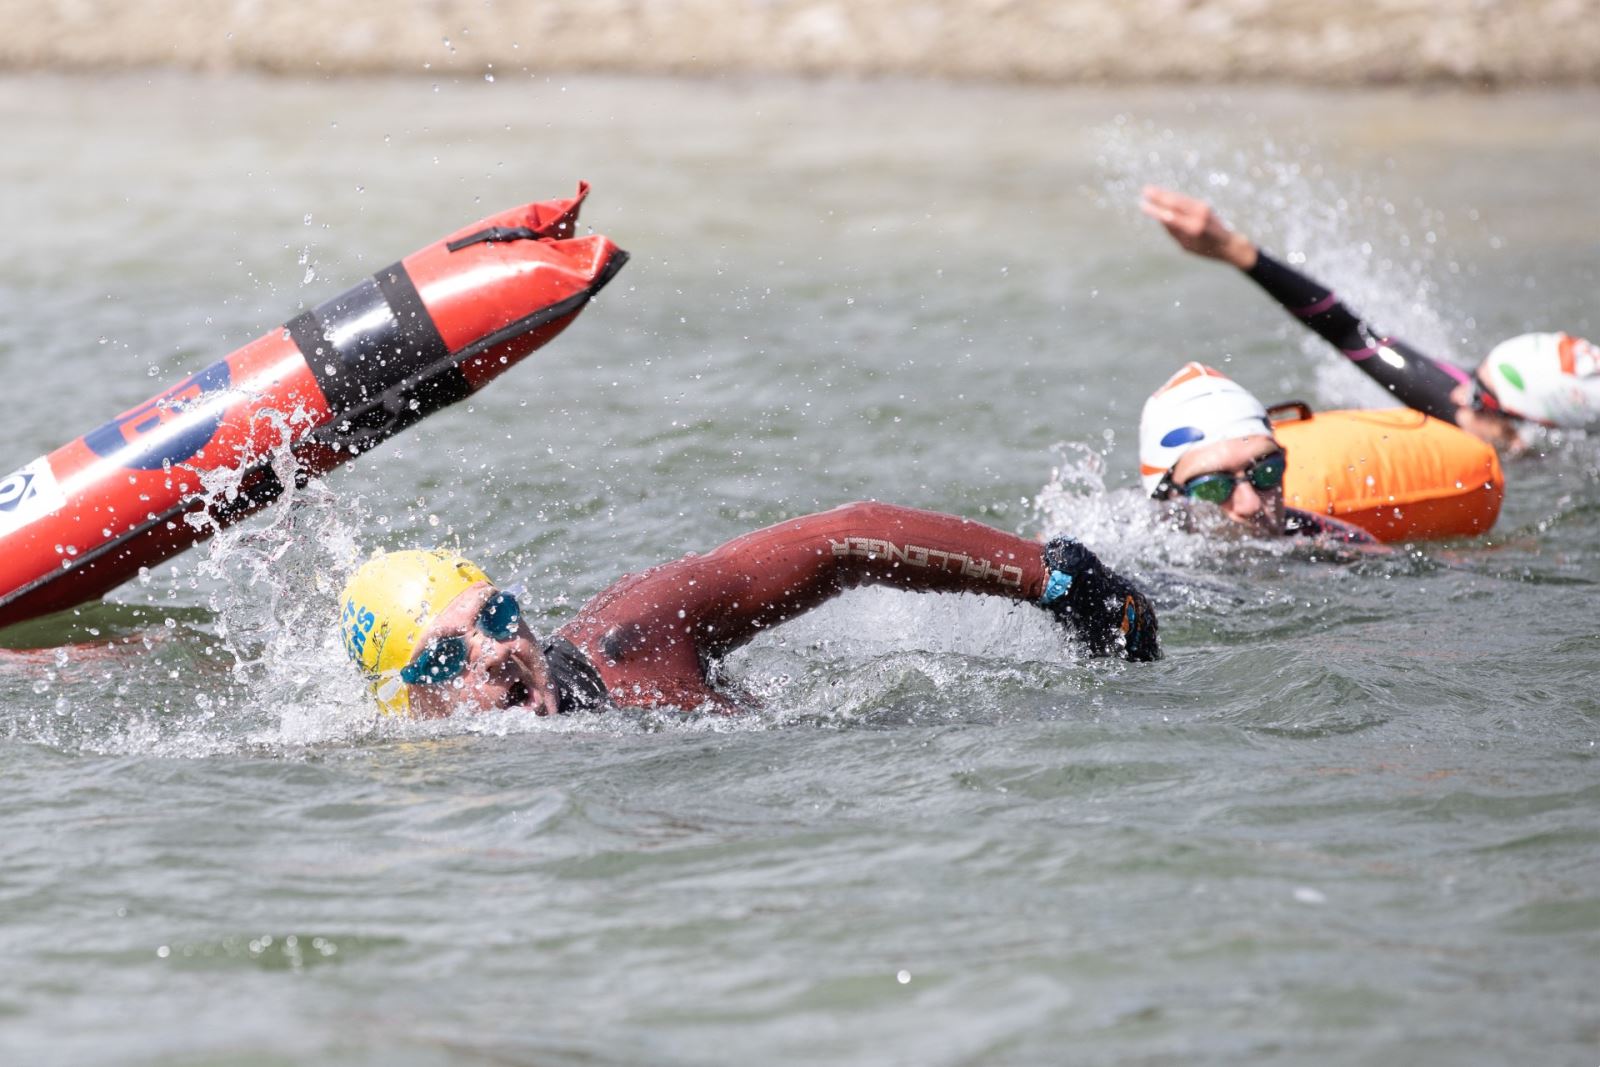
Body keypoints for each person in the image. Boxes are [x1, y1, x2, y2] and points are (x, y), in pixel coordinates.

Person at [338, 501, 1161, 717]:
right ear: (410, 705)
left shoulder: (633, 642)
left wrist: (1051, 578)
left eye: (495, 615)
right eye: (446, 658)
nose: (492, 654)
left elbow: (844, 539)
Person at [1140, 185, 1600, 451]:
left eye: (1480, 395)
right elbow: (1349, 330)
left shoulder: (1536, 460)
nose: (1460, 393)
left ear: (1535, 428)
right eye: (1472, 378)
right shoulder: (1463, 402)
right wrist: (1236, 251)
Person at [1138, 361, 1377, 545]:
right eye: (1213, 487)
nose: (1251, 505)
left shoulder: (1333, 543)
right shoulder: (1135, 570)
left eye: (1266, 472)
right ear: (1166, 497)